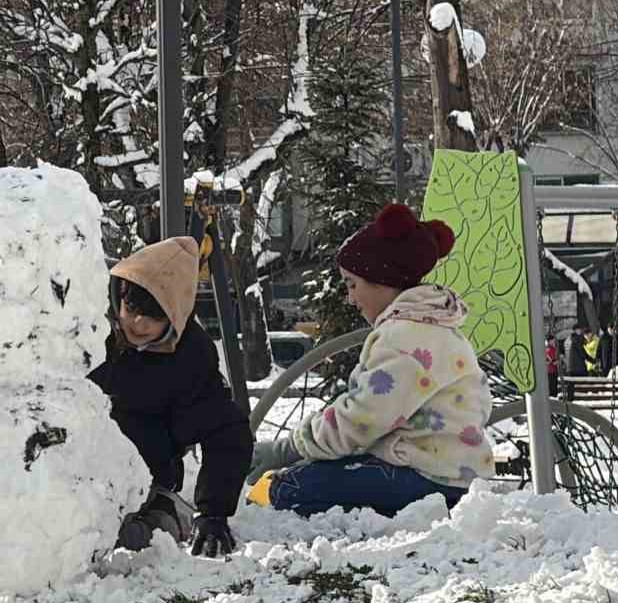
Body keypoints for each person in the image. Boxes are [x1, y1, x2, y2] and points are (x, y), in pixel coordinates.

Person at [248, 204, 494, 519]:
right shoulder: (443, 330)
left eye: (353, 284)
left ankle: (268, 513)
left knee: (292, 486)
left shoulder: (404, 338)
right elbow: (480, 405)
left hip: (425, 478)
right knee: (322, 473)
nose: (350, 298)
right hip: (456, 476)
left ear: (381, 278)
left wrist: (289, 449)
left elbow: (362, 419)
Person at [87, 237, 253, 558]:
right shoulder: (88, 332)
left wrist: (214, 511)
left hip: (145, 470)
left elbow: (225, 430)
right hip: (78, 465)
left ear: (175, 314)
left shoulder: (190, 357)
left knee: (137, 539)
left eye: (153, 315)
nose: (138, 323)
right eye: (132, 309)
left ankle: (164, 514)